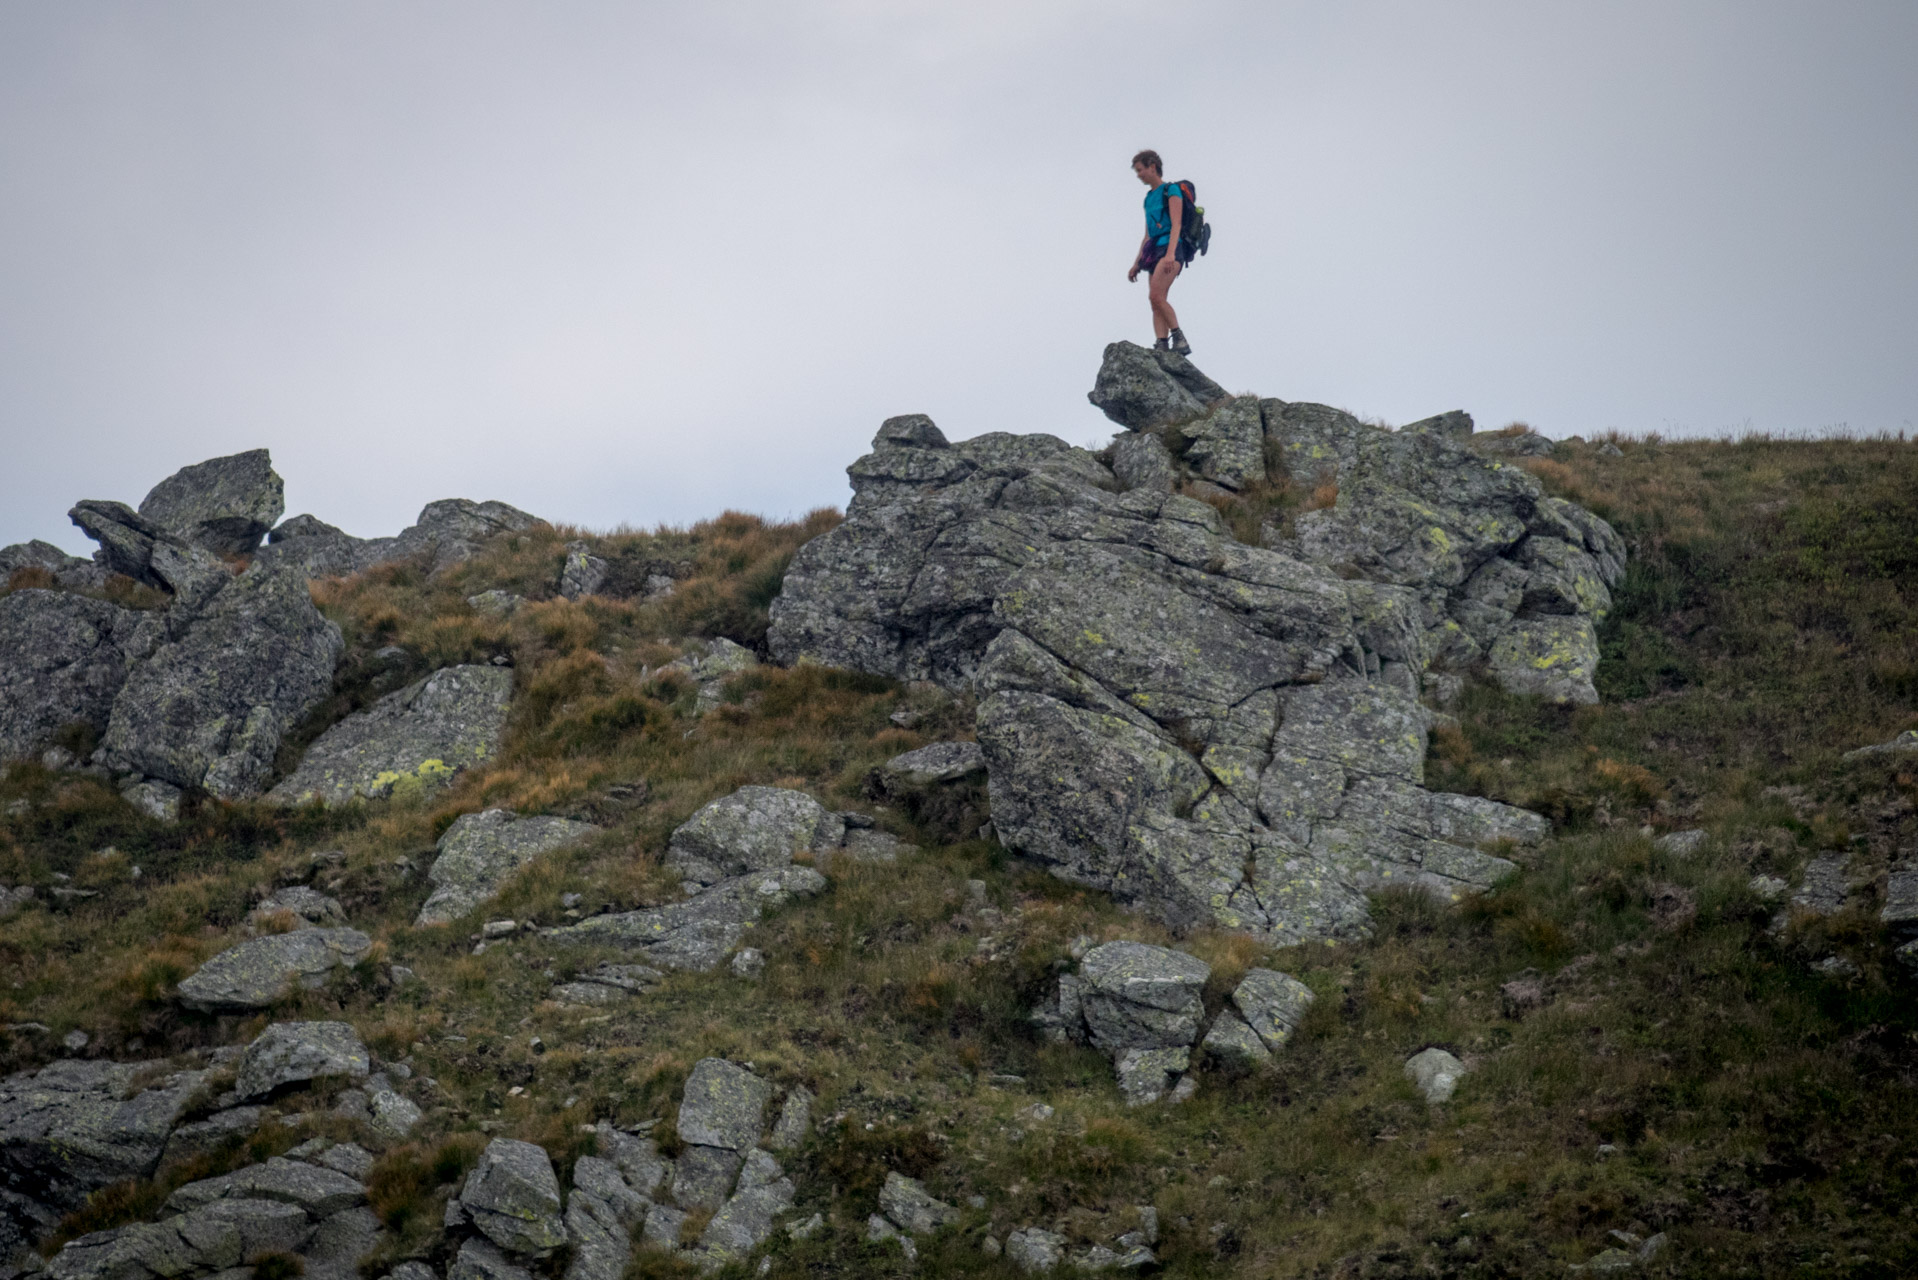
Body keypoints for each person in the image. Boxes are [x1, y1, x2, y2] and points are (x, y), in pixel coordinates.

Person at [1126, 149, 1191, 355]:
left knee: (1156, 295)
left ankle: (1179, 338)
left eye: (1140, 170)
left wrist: (1171, 253)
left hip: (1171, 247)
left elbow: (1177, 224)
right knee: (1155, 300)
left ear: (1152, 166)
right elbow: (1147, 234)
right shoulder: (1148, 199)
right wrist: (1137, 263)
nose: (1139, 175)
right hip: (1153, 250)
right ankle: (1162, 344)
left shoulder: (1171, 190)